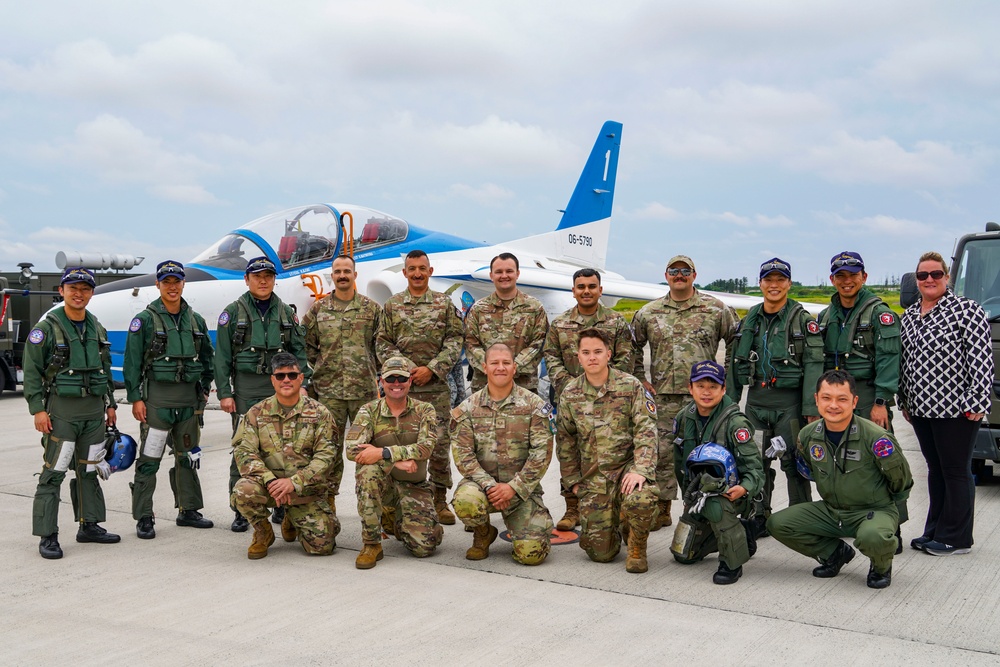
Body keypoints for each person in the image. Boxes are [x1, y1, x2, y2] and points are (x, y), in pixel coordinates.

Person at [767, 370, 913, 589]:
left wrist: (888, 516)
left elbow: (901, 482)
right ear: (816, 400)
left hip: (873, 510)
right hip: (832, 510)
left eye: (841, 399)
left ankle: (880, 566)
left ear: (854, 401)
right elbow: (809, 469)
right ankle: (835, 553)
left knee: (874, 537)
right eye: (826, 398)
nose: (833, 405)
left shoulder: (876, 438)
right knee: (777, 524)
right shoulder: (808, 436)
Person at [632, 254, 738, 531]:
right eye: (673, 271)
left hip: (704, 397)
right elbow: (630, 346)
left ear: (694, 274)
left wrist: (725, 379)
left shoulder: (715, 309)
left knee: (708, 453)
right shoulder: (648, 312)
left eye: (685, 271)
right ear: (666, 275)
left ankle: (706, 508)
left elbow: (736, 341)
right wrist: (641, 379)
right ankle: (663, 508)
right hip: (664, 397)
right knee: (664, 454)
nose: (679, 275)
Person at [899, 251, 993, 556]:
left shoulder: (966, 311)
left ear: (947, 277)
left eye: (936, 274)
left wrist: (977, 400)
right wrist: (904, 399)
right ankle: (935, 530)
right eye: (923, 275)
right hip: (920, 408)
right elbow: (905, 361)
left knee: (956, 471)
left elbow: (981, 361)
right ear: (916, 279)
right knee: (935, 470)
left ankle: (957, 537)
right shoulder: (910, 316)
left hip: (956, 409)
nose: (929, 280)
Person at [24, 267, 120, 559]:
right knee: (54, 473)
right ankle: (48, 535)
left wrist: (111, 404)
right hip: (62, 413)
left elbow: (104, 369)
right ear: (61, 291)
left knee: (89, 469)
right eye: (73, 288)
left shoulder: (96, 326)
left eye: (85, 289)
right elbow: (31, 371)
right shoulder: (47, 328)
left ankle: (89, 525)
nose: (79, 294)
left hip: (93, 412)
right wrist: (38, 410)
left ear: (91, 293)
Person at [727, 257, 823, 536]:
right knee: (754, 462)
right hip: (755, 406)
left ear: (789, 284)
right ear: (760, 284)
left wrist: (810, 408)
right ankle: (758, 517)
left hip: (789, 407)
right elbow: (734, 365)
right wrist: (730, 406)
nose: (774, 285)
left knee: (794, 463)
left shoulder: (804, 322)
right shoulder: (749, 322)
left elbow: (814, 366)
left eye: (780, 280)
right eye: (769, 280)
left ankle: (801, 519)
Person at [214, 256, 311, 532]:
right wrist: (225, 392)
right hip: (246, 389)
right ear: (247, 279)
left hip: (281, 388)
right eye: (257, 276)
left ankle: (281, 505)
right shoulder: (232, 313)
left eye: (268, 275)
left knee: (284, 449)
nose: (263, 280)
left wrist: (302, 382)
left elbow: (298, 350)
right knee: (243, 448)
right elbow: (221, 357)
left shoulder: (285, 313)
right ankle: (241, 510)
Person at [818, 251, 907, 552]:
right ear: (832, 279)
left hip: (869, 396)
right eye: (840, 275)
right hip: (837, 398)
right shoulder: (826, 315)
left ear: (864, 277)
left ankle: (894, 526)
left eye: (853, 274)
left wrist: (881, 401)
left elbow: (889, 360)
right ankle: (853, 519)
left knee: (884, 460)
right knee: (842, 458)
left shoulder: (879, 314)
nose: (847, 281)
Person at [123, 261, 215, 539]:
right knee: (150, 460)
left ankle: (188, 510)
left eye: (176, 281)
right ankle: (144, 516)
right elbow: (132, 363)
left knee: (188, 456)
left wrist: (205, 387)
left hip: (188, 403)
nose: (172, 287)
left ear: (183, 283)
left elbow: (208, 356)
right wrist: (136, 398)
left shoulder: (195, 320)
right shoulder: (145, 320)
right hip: (157, 404)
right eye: (166, 282)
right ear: (158, 285)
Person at [556, 328, 658, 573]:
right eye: (586, 352)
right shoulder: (570, 393)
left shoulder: (630, 386)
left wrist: (641, 470)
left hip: (626, 471)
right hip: (594, 477)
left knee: (642, 499)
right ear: (578, 357)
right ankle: (618, 522)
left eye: (598, 352)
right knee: (601, 554)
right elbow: (566, 442)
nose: (592, 357)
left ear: (608, 354)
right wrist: (573, 483)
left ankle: (636, 544)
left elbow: (646, 431)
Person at [376, 250, 464, 525]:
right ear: (404, 273)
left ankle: (439, 499)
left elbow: (455, 340)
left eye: (421, 268)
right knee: (399, 442)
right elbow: (382, 342)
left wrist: (433, 369)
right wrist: (406, 369)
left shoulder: (443, 304)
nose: (416, 273)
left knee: (438, 444)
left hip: (435, 389)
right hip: (402, 389)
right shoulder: (392, 305)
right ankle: (398, 498)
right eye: (411, 268)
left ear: (430, 270)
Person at [543, 268, 634, 532]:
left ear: (600, 290)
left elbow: (626, 356)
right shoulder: (560, 324)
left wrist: (607, 387)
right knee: (569, 450)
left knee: (610, 449)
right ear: (573, 291)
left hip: (612, 400)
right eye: (580, 286)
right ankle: (573, 507)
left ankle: (611, 502)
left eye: (591, 286)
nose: (586, 291)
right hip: (572, 401)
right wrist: (569, 387)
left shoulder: (616, 322)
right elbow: (551, 357)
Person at [450, 344, 554, 565]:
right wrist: (489, 485)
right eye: (495, 363)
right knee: (466, 501)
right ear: (484, 367)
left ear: (514, 368)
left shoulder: (534, 405)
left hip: (521, 490)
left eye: (506, 363)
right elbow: (463, 455)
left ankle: (522, 525)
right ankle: (483, 532)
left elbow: (541, 454)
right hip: (483, 488)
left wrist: (513, 487)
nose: (500, 368)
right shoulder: (468, 407)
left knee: (532, 555)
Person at [231, 352, 337, 559]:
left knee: (322, 546)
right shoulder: (256, 413)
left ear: (300, 378)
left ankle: (293, 515)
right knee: (243, 490)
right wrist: (270, 480)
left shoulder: (319, 413)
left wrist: (295, 482)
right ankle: (263, 531)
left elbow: (326, 456)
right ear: (273, 380)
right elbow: (245, 452)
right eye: (280, 376)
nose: (286, 380)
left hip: (304, 488)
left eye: (291, 375)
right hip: (269, 486)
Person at [301, 255, 382, 523]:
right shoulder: (318, 310)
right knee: (328, 453)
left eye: (347, 271)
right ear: (332, 276)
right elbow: (308, 346)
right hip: (329, 394)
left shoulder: (371, 309)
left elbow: (380, 347)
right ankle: (328, 505)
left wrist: (371, 370)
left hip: (364, 395)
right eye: (338, 271)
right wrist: (323, 367)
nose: (343, 275)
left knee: (367, 451)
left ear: (355, 275)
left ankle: (373, 508)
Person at [345, 356, 442, 569]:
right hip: (384, 484)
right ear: (382, 381)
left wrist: (383, 452)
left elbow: (426, 448)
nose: (396, 384)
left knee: (424, 547)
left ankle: (398, 518)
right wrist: (394, 462)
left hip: (413, 485)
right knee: (367, 472)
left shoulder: (425, 410)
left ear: (409, 381)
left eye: (401, 378)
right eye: (391, 379)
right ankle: (371, 543)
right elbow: (352, 450)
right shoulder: (369, 411)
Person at [671, 361, 763, 585]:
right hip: (698, 494)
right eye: (700, 385)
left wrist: (744, 489)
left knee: (716, 506)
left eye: (713, 386)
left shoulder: (735, 423)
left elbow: (756, 470)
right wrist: (688, 497)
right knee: (683, 554)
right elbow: (678, 461)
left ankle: (732, 562)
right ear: (690, 388)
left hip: (731, 494)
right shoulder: (685, 417)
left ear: (723, 389)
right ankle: (742, 533)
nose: (706, 392)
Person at [463, 253, 549, 392]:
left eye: (509, 271)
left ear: (517, 273)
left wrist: (514, 367)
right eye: (499, 272)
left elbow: (538, 344)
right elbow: (470, 344)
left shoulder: (534, 308)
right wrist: (493, 368)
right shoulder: (478, 309)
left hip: (523, 388)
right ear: (491, 276)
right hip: (485, 388)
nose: (504, 276)